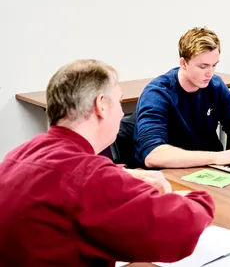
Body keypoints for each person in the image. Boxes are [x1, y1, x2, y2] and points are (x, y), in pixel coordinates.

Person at [0, 60, 215, 266]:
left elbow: (63, 182)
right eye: (120, 102)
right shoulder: (89, 178)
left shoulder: (20, 153)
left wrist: (119, 173)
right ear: (101, 105)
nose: (122, 113)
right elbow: (178, 230)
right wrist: (196, 198)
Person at [134, 27, 230, 169]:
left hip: (210, 169)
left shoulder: (216, 85)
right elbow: (153, 155)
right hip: (171, 173)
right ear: (183, 64)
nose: (210, 73)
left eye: (214, 65)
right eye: (203, 66)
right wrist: (217, 157)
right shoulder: (157, 94)